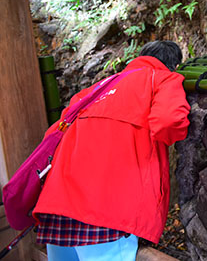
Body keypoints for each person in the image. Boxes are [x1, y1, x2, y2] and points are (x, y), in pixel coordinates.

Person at [33, 41, 191, 261]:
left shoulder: (99, 87)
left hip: (58, 204)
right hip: (106, 210)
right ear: (173, 65)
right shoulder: (163, 79)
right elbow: (168, 122)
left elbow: (54, 133)